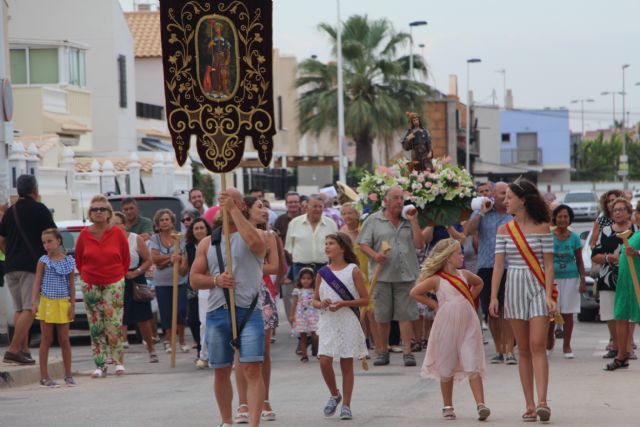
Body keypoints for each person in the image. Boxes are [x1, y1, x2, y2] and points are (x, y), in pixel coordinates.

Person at [190, 188, 267, 427]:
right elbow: (194, 278)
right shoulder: (207, 242)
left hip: (248, 311)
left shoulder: (258, 235)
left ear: (243, 205)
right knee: (221, 370)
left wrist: (233, 209)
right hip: (217, 312)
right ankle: (226, 421)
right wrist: (215, 280)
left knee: (252, 369)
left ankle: (254, 423)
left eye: (233, 201)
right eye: (224, 201)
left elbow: (254, 242)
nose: (227, 204)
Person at [489, 178, 555, 422]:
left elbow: (548, 265)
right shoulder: (504, 230)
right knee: (523, 348)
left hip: (537, 287)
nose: (505, 201)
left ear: (523, 200)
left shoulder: (543, 227)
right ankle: (529, 403)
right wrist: (494, 296)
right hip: (514, 286)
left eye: (509, 197)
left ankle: (543, 401)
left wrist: (549, 294)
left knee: (538, 344)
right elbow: (498, 266)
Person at [410, 238, 489, 421]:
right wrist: (434, 304)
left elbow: (479, 283)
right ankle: (447, 406)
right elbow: (414, 292)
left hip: (468, 322)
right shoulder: (436, 279)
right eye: (458, 253)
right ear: (447, 258)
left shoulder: (465, 275)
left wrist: (469, 298)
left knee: (472, 360)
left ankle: (481, 405)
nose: (462, 256)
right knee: (446, 363)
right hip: (446, 324)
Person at [358, 186, 425, 367]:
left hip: (406, 275)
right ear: (385, 201)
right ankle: (382, 351)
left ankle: (407, 353)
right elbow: (363, 243)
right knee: (382, 316)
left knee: (405, 315)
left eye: (401, 198)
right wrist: (375, 255)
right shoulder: (373, 220)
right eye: (395, 198)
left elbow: (419, 244)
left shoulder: (407, 220)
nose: (399, 202)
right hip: (382, 277)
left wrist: (414, 221)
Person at [0, 175, 56, 365]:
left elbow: (1, 240)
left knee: (19, 309)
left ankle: (23, 350)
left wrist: (11, 255)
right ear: (35, 190)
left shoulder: (10, 211)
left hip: (10, 266)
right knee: (31, 309)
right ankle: (13, 349)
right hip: (31, 266)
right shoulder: (40, 209)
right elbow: (51, 235)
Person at [235, 196, 281, 424]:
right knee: (239, 349)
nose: (264, 211)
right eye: (259, 207)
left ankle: (264, 399)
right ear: (247, 211)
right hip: (239, 293)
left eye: (265, 207)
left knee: (262, 351)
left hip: (261, 294)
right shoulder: (234, 236)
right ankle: (243, 401)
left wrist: (253, 266)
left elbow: (275, 266)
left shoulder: (269, 236)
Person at [313, 233, 369, 420]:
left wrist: (343, 304)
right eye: (326, 243)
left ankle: (346, 405)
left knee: (346, 363)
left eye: (331, 243)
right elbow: (314, 299)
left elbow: (365, 299)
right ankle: (335, 394)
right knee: (324, 360)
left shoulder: (353, 270)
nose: (327, 246)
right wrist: (322, 303)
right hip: (328, 321)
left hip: (347, 321)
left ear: (342, 248)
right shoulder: (322, 273)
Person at [75, 195, 130, 378]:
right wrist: (87, 276)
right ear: (90, 214)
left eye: (102, 209)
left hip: (113, 281)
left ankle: (118, 361)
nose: (98, 212)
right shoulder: (84, 234)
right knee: (96, 325)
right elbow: (79, 260)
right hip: (90, 282)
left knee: (113, 323)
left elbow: (125, 258)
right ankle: (100, 364)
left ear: (108, 213)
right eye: (95, 209)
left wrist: (118, 276)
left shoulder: (117, 233)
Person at [464, 181, 516, 365]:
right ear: (493, 194)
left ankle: (510, 350)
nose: (504, 197)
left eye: (507, 193)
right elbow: (467, 231)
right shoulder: (483, 211)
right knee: (491, 311)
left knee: (507, 309)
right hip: (486, 266)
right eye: (501, 193)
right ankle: (499, 349)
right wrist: (480, 212)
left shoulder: (514, 214)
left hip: (510, 266)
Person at [592, 198, 638, 364]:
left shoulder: (635, 230)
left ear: (628, 212)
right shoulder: (605, 231)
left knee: (630, 315)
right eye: (615, 210)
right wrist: (607, 257)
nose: (618, 212)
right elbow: (594, 254)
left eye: (621, 209)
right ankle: (618, 348)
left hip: (631, 277)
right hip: (608, 277)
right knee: (612, 315)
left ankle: (627, 348)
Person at [31, 228, 76, 387]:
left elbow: (71, 284)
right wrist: (34, 302)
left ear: (59, 241)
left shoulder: (68, 261)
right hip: (47, 302)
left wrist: (73, 305)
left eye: (49, 241)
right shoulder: (43, 261)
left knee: (64, 339)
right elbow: (37, 282)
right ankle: (44, 376)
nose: (46, 245)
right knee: (47, 339)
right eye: (44, 242)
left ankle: (68, 374)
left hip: (63, 302)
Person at [112, 212, 157, 363]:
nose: (114, 226)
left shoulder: (135, 239)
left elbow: (148, 260)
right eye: (111, 223)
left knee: (142, 318)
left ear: (124, 224)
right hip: (117, 280)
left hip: (135, 278)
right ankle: (116, 352)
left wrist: (136, 272)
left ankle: (151, 349)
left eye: (117, 223)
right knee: (117, 318)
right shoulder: (108, 241)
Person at [149, 209, 190, 354]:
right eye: (162, 220)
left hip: (180, 280)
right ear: (158, 224)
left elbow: (183, 257)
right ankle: (168, 340)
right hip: (162, 282)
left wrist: (164, 260)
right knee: (166, 312)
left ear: (172, 221)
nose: (165, 222)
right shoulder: (155, 239)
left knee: (181, 310)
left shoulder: (181, 237)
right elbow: (154, 259)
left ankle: (182, 341)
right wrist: (172, 258)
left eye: (167, 219)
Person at [340, 202, 378, 351]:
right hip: (352, 275)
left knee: (371, 312)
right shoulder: (341, 234)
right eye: (344, 213)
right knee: (358, 312)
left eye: (350, 213)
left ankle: (379, 344)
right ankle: (363, 343)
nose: (347, 216)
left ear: (357, 214)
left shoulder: (364, 230)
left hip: (368, 274)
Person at [549, 205, 585, 358]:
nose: (563, 219)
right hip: (552, 279)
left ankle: (567, 346)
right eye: (560, 216)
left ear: (570, 219)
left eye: (566, 217)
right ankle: (548, 343)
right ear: (555, 218)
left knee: (568, 313)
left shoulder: (575, 237)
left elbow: (579, 261)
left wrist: (582, 279)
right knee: (551, 312)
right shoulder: (548, 235)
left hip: (571, 279)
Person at [610, 203, 640, 370]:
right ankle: (622, 356)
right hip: (625, 282)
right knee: (621, 315)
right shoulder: (636, 233)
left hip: (638, 282)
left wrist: (637, 253)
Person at [285, 194, 338, 280]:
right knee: (302, 293)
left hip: (324, 268)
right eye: (315, 206)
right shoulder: (294, 223)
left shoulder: (331, 224)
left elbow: (336, 248)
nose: (318, 209)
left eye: (320, 206)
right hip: (300, 269)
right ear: (307, 207)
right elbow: (289, 248)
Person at [185, 217, 213, 368]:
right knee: (201, 322)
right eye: (196, 228)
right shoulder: (188, 247)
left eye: (202, 228)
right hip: (197, 287)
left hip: (215, 285)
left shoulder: (214, 243)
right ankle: (203, 354)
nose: (199, 231)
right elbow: (185, 269)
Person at [289, 267, 319, 362]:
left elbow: (318, 301)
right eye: (303, 278)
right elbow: (293, 304)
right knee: (302, 335)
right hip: (301, 316)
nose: (306, 281)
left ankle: (318, 351)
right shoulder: (297, 291)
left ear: (313, 279)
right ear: (300, 279)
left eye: (308, 278)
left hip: (313, 315)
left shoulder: (315, 290)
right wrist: (292, 315)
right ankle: (304, 355)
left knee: (315, 334)